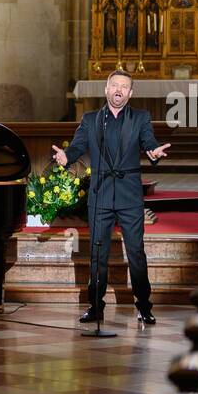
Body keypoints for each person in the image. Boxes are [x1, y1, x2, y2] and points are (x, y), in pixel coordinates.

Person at [51, 70, 171, 325]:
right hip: (101, 194)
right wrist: (65, 157)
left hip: (129, 195)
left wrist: (153, 152)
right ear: (106, 89)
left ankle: (144, 306)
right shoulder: (91, 119)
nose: (119, 90)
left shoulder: (141, 118)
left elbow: (149, 141)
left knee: (136, 252)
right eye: (114, 85)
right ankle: (95, 307)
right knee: (97, 253)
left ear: (131, 92)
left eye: (124, 86)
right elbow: (77, 146)